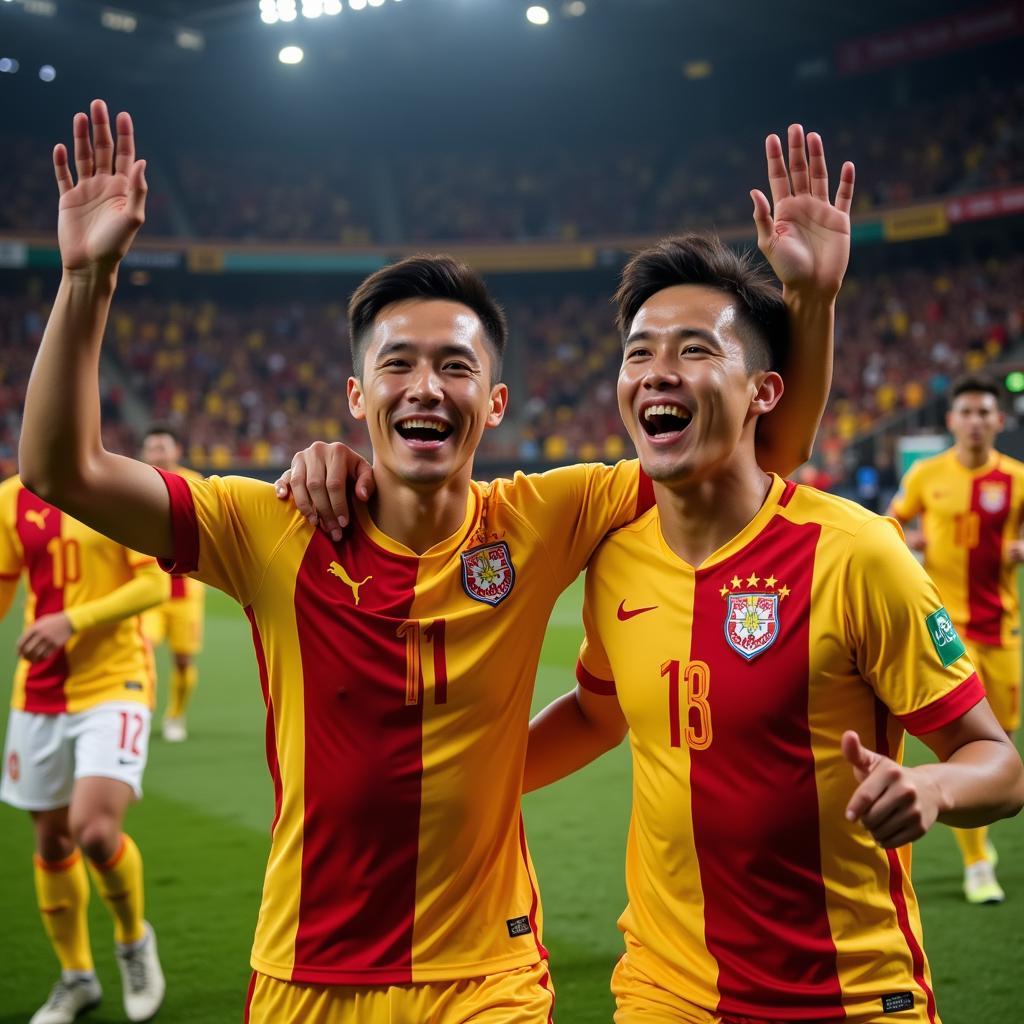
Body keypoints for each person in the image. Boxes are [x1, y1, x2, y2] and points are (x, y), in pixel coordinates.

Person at [20, 99, 851, 1022]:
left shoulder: (547, 515)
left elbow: (758, 453)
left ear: (494, 404)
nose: (425, 387)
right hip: (306, 973)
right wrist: (87, 277)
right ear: (356, 395)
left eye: (455, 368)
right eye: (397, 365)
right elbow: (62, 469)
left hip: (486, 976)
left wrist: (811, 302)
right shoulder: (269, 528)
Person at [523, 237, 1024, 1024]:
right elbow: (596, 712)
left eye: (694, 350)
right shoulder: (615, 559)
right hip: (665, 989)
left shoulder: (857, 553)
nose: (658, 370)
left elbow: (997, 764)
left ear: (763, 392)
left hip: (849, 993)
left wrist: (930, 785)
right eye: (638, 353)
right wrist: (469, 774)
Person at [0, 474, 169, 1024]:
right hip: (39, 691)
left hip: (115, 681)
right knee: (51, 842)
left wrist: (73, 620)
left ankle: (132, 940)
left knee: (95, 831)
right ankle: (77, 977)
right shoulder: (10, 500)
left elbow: (154, 586)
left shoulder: (116, 487)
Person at [889, 374, 1024, 904]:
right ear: (951, 421)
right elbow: (890, 524)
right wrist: (911, 537)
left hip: (1001, 630)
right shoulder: (927, 475)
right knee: (967, 744)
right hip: (947, 633)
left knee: (1002, 744)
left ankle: (978, 848)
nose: (974, 421)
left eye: (983, 412)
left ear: (998, 420)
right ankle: (975, 867)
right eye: (965, 412)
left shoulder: (1015, 480)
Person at [139, 425, 206, 742]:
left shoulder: (195, 483)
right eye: (151, 448)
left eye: (162, 447)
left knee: (182, 660)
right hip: (149, 589)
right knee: (143, 647)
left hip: (186, 591)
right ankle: (138, 708)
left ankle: (176, 715)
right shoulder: (134, 483)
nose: (157, 453)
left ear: (176, 450)